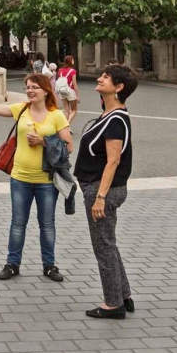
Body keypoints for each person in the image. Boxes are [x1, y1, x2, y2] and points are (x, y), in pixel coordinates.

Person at [0, 68, 73, 282]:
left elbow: (69, 147)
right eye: (27, 87)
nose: (30, 91)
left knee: (47, 224)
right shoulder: (21, 109)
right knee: (18, 223)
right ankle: (12, 264)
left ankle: (49, 265)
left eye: (35, 87)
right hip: (20, 178)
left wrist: (43, 142)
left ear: (46, 91)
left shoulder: (56, 115)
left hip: (46, 180)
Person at [76, 63, 136, 319]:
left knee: (103, 247)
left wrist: (100, 197)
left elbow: (113, 161)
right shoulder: (109, 116)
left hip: (102, 190)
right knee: (108, 244)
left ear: (119, 87)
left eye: (106, 77)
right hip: (100, 188)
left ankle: (113, 304)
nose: (100, 79)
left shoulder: (116, 120)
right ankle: (123, 295)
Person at [55, 55, 80, 121]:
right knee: (74, 110)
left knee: (66, 110)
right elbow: (74, 84)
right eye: (72, 60)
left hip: (62, 91)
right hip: (70, 91)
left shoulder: (60, 70)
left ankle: (64, 124)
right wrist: (77, 96)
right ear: (71, 61)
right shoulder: (72, 71)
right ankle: (67, 124)